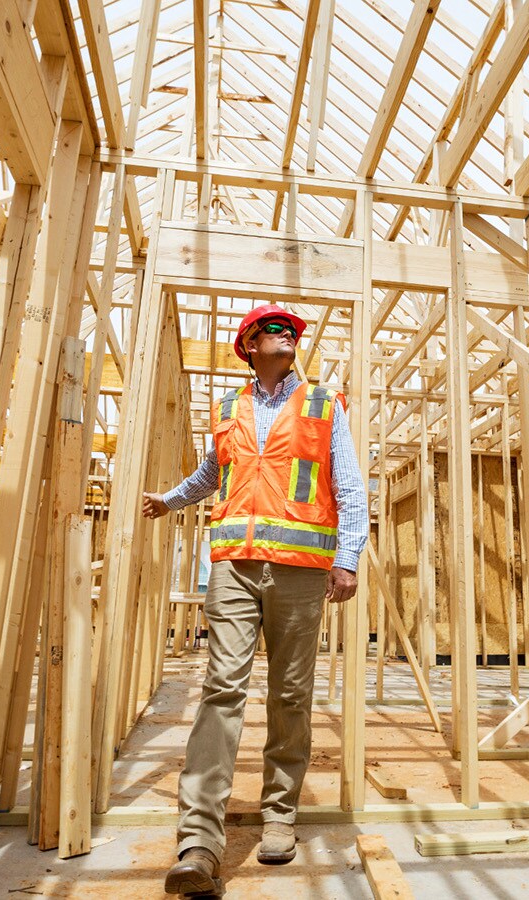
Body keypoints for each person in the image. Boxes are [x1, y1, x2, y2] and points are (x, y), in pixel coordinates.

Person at [143, 303, 368, 897]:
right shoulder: (227, 409)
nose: (287, 336)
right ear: (249, 344)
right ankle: (199, 841)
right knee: (221, 688)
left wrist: (347, 558)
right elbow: (210, 476)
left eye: (293, 331)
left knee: (290, 692)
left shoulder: (323, 404)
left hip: (299, 571)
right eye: (274, 329)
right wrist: (169, 500)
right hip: (235, 566)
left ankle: (280, 814)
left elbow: (348, 485)